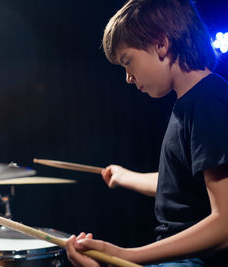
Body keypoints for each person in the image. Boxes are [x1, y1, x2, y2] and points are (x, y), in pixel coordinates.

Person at [65, 0, 228, 266]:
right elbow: (183, 187)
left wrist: (124, 256)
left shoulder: (208, 102)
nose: (128, 77)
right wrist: (125, 177)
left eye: (128, 61)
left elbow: (225, 224)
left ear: (161, 44)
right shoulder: (192, 103)